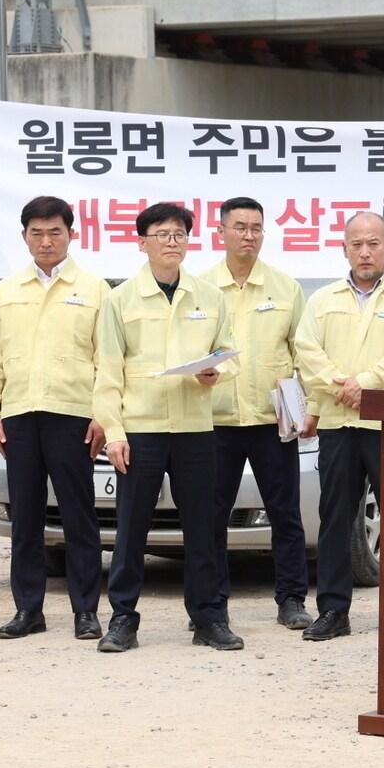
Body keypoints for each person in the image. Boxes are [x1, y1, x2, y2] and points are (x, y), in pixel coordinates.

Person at [94, 203, 242, 653]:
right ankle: (123, 620)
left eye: (179, 234)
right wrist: (115, 433)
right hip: (141, 428)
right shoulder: (120, 300)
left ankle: (208, 619)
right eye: (161, 235)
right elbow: (107, 372)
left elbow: (229, 355)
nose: (171, 242)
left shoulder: (208, 296)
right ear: (142, 242)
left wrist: (216, 373)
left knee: (202, 528)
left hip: (195, 427)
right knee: (131, 528)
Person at [0, 196, 111, 641]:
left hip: (73, 415)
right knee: (26, 518)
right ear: (24, 237)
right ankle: (28, 609)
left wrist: (101, 415)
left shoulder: (94, 289)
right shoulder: (5, 291)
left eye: (55, 232)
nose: (46, 241)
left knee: (79, 516)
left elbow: (108, 359)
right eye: (37, 232)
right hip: (18, 416)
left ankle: (86, 611)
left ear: (72, 234)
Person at [294, 212, 384, 643]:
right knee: (334, 518)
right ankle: (333, 610)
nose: (365, 251)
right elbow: (307, 351)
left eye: (374, 243)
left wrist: (364, 385)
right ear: (344, 248)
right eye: (357, 243)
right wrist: (340, 385)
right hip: (338, 421)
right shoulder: (323, 299)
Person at [202, 197, 312, 631]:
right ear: (222, 232)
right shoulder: (201, 286)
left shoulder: (285, 288)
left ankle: (291, 599)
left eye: (256, 228)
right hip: (216, 420)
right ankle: (212, 604)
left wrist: (307, 408)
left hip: (272, 421)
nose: (248, 235)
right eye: (240, 227)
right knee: (210, 518)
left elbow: (303, 354)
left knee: (285, 513)